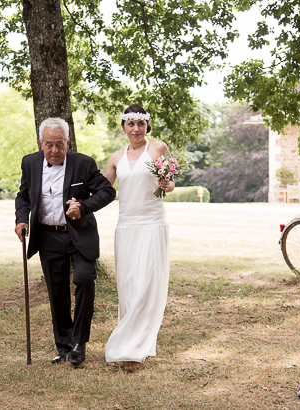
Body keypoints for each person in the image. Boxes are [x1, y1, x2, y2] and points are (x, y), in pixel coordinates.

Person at [15, 117, 116, 367]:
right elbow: (23, 196)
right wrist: (21, 219)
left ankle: (79, 342)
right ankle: (63, 345)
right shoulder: (30, 163)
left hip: (79, 234)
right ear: (41, 143)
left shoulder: (83, 163)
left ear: (67, 142)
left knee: (84, 279)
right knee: (57, 290)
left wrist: (83, 207)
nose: (54, 151)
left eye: (59, 144)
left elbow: (107, 192)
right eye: (49, 144)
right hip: (48, 235)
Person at [103, 104, 174, 372]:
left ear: (147, 126)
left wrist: (168, 184)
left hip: (152, 224)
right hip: (126, 227)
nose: (136, 129)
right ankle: (132, 340)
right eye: (130, 124)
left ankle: (133, 349)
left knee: (146, 284)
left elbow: (170, 181)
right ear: (123, 127)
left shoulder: (158, 148)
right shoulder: (115, 158)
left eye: (140, 124)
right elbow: (102, 190)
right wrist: (78, 201)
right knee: (128, 286)